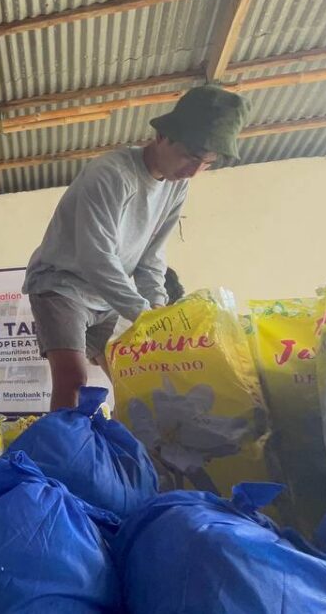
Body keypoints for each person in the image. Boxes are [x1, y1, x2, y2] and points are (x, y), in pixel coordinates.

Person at [23, 84, 250, 411]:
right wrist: (143, 314)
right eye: (189, 156)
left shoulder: (177, 187)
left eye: (207, 163)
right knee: (72, 380)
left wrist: (158, 310)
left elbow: (152, 257)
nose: (193, 171)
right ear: (162, 136)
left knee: (136, 374)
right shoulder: (111, 175)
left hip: (108, 293)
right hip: (62, 283)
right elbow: (95, 258)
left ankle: (138, 451)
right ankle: (65, 457)